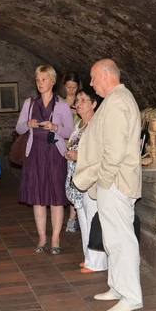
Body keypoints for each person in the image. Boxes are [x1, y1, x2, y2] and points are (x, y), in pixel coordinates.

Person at [73, 58, 143, 311]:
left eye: (92, 78)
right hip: (111, 181)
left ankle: (131, 295)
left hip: (115, 181)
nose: (90, 84)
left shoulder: (118, 102)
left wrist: (103, 179)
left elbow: (114, 150)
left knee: (122, 239)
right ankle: (117, 286)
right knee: (112, 238)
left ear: (105, 74)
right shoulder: (113, 100)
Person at [16, 65, 74, 254]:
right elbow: (19, 129)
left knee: (56, 198)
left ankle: (55, 238)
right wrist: (28, 124)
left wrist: (56, 127)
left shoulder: (62, 105)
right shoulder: (30, 103)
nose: (40, 83)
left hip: (55, 154)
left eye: (43, 79)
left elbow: (70, 132)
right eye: (37, 80)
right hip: (35, 154)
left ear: (52, 81)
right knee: (38, 198)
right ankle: (42, 237)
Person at [64, 88, 108, 274]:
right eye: (78, 100)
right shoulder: (79, 124)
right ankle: (89, 258)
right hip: (76, 178)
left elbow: (100, 153)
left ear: (94, 104)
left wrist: (78, 156)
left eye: (84, 100)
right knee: (83, 219)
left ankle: (98, 262)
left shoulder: (97, 125)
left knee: (93, 219)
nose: (79, 103)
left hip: (90, 179)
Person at [60, 71, 81, 233]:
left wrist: (78, 112)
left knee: (75, 181)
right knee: (63, 181)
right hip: (62, 146)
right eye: (68, 87)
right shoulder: (59, 102)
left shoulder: (82, 101)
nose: (71, 91)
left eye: (74, 87)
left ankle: (72, 218)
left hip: (78, 146)